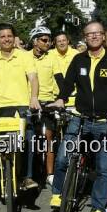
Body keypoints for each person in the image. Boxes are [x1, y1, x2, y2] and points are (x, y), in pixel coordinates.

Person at [49, 21, 107, 212]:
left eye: (97, 34)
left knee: (103, 169)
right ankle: (57, 193)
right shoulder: (78, 59)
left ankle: (98, 211)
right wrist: (61, 99)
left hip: (104, 122)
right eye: (89, 34)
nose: (93, 37)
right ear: (84, 37)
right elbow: (68, 83)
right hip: (80, 117)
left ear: (103, 36)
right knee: (63, 156)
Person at [0, 23, 41, 212]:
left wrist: (33, 97)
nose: (6, 39)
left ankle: (27, 177)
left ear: (15, 38)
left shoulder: (24, 56)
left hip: (20, 108)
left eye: (9, 36)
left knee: (28, 140)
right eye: (2, 36)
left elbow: (33, 79)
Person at [29, 26, 59, 186]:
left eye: (50, 40)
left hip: (48, 102)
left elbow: (59, 79)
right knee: (28, 139)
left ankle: (50, 174)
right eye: (44, 40)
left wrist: (61, 98)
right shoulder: (24, 57)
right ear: (35, 41)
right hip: (29, 103)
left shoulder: (52, 58)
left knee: (49, 138)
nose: (48, 43)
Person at [51, 31, 77, 109]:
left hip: (73, 99)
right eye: (59, 41)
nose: (62, 43)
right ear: (55, 43)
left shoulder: (76, 54)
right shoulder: (49, 54)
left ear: (68, 41)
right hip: (54, 98)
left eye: (64, 40)